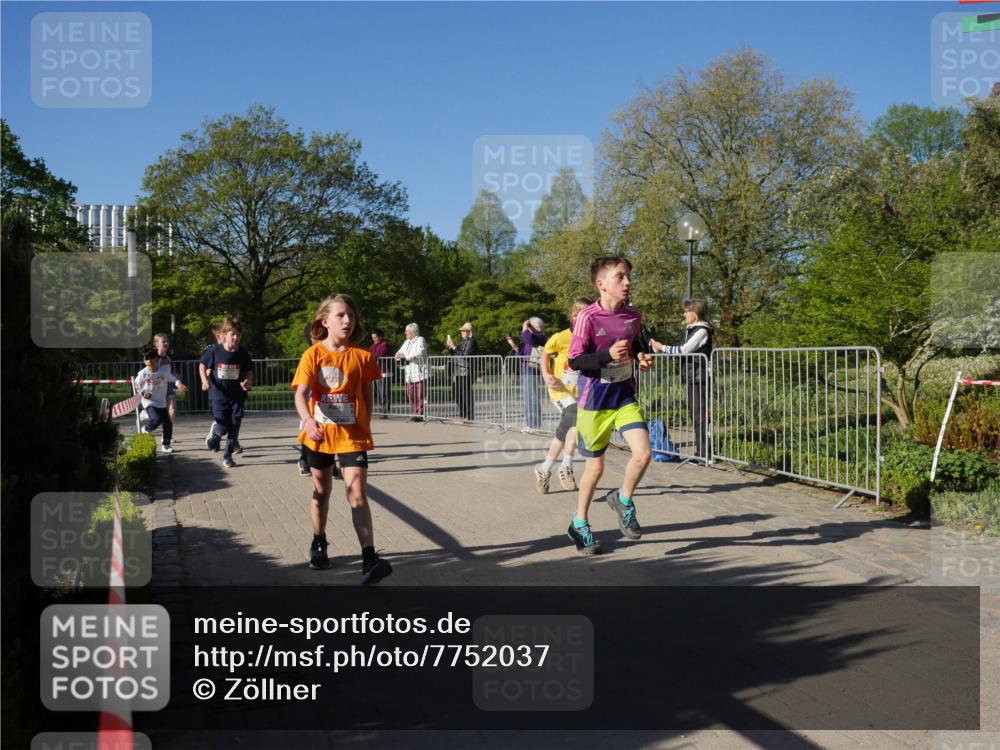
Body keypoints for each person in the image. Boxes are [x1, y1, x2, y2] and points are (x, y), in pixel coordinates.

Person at [292, 293, 392, 583]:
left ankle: (369, 558)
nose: (347, 320)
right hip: (319, 435)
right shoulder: (313, 355)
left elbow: (368, 396)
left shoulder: (363, 356)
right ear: (325, 321)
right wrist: (308, 421)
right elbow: (300, 394)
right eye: (340, 315)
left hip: (352, 437)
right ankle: (319, 540)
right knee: (322, 492)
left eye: (351, 315)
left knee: (357, 493)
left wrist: (364, 425)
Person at [565, 256, 653, 555]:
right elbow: (575, 360)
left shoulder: (633, 315)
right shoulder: (587, 317)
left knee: (643, 454)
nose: (627, 282)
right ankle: (579, 522)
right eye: (620, 277)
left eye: (628, 276)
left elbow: (635, 343)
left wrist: (641, 357)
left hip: (624, 396)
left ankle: (623, 500)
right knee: (596, 468)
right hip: (595, 401)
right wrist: (606, 356)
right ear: (600, 284)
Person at [534, 298, 592, 494]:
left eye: (584, 315)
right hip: (559, 389)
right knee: (574, 419)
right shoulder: (561, 337)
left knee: (571, 428)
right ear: (570, 316)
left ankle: (544, 468)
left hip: (580, 392)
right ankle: (565, 466)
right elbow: (545, 353)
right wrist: (545, 374)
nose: (579, 319)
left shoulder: (591, 338)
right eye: (576, 315)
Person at [649, 299, 713, 459]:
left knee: (699, 415)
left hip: (699, 377)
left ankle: (704, 453)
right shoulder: (691, 330)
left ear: (695, 313)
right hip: (692, 377)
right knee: (695, 414)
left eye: (686, 311)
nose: (684, 314)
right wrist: (662, 351)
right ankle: (701, 452)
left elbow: (684, 350)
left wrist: (662, 347)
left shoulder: (702, 330)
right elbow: (680, 353)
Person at [199, 316, 254, 469]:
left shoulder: (243, 353)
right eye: (232, 334)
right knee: (223, 426)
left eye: (238, 335)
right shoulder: (214, 351)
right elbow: (202, 365)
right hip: (219, 395)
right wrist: (204, 381)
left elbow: (249, 370)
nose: (235, 338)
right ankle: (216, 433)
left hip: (237, 395)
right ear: (224, 335)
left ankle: (227, 455)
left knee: (234, 425)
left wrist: (247, 381)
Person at [135, 346, 188, 454]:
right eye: (146, 359)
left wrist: (179, 384)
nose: (149, 361)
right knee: (157, 419)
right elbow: (136, 385)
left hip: (161, 402)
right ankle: (146, 429)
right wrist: (143, 393)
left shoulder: (164, 371)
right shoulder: (143, 373)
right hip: (149, 402)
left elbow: (174, 379)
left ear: (157, 359)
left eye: (151, 358)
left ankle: (166, 445)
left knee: (168, 423)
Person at [506, 317, 546, 430]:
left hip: (533, 371)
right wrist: (514, 345)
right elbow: (521, 355)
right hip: (526, 371)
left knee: (532, 397)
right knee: (527, 398)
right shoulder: (530, 339)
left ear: (536, 327)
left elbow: (527, 338)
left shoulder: (540, 336)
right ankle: (530, 424)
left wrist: (525, 327)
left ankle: (535, 425)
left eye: (530, 326)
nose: (528, 329)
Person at [446, 322, 479, 421]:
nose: (462, 332)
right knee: (456, 394)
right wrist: (450, 347)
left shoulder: (472, 342)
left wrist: (453, 346)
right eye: (461, 331)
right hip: (458, 371)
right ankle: (463, 414)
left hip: (466, 372)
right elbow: (455, 353)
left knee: (466, 394)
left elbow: (465, 355)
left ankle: (469, 416)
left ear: (469, 332)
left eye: (464, 331)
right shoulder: (462, 342)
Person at [395, 323, 428, 422]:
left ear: (413, 332)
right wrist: (400, 355)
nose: (405, 333)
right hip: (409, 371)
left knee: (419, 394)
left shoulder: (420, 339)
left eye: (407, 331)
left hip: (419, 370)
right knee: (410, 393)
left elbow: (419, 352)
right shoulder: (406, 342)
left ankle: (419, 414)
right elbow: (398, 353)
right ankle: (415, 412)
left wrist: (405, 355)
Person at [152, 333, 178, 424]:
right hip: (156, 389)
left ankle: (168, 432)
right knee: (157, 414)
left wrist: (175, 378)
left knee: (172, 410)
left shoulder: (168, 358)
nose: (166, 343)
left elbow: (167, 373)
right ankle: (145, 415)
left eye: (167, 341)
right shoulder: (153, 358)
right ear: (156, 344)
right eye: (163, 342)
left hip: (168, 388)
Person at [369, 328, 391, 418]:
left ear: (380, 336)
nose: (374, 340)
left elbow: (380, 354)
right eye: (373, 338)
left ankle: (385, 411)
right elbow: (369, 354)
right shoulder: (373, 345)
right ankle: (382, 410)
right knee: (378, 392)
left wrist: (372, 357)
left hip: (384, 372)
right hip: (376, 371)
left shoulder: (384, 344)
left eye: (375, 338)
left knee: (384, 392)